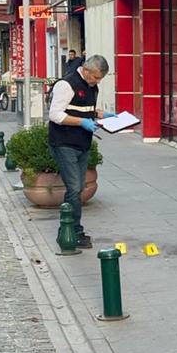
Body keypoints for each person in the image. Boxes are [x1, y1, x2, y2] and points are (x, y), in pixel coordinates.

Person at [48, 55, 116, 249]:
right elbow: (55, 114)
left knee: (77, 188)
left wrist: (101, 114)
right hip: (64, 142)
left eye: (100, 78)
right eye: (95, 77)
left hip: (82, 143)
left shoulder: (92, 86)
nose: (97, 81)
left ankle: (69, 228)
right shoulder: (66, 85)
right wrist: (82, 122)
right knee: (75, 187)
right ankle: (73, 230)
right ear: (86, 70)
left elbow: (83, 109)